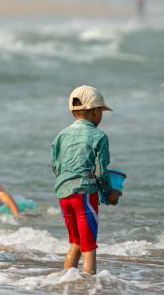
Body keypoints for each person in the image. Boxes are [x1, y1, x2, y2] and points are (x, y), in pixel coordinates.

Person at [51, 85, 121, 275]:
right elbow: (101, 172)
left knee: (76, 243)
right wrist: (110, 193)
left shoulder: (61, 135)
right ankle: (89, 286)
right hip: (84, 194)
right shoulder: (99, 136)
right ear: (95, 111)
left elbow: (55, 166)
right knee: (89, 246)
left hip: (63, 193)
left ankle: (66, 282)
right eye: (101, 111)